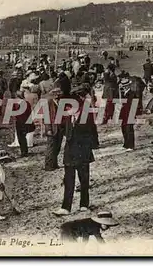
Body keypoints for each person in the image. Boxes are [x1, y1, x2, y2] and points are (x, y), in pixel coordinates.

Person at [53, 85, 99, 216]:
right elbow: (62, 128)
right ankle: (65, 207)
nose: (67, 110)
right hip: (70, 151)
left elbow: (92, 130)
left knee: (84, 179)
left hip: (83, 150)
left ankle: (84, 204)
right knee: (68, 179)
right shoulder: (67, 115)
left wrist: (92, 145)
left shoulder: (86, 114)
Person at [119, 78, 136, 151]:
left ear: (129, 86)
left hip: (130, 112)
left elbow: (133, 105)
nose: (125, 87)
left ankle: (131, 145)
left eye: (126, 86)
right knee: (124, 128)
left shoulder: (132, 93)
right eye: (124, 86)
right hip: (125, 113)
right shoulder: (123, 93)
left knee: (129, 129)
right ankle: (126, 144)